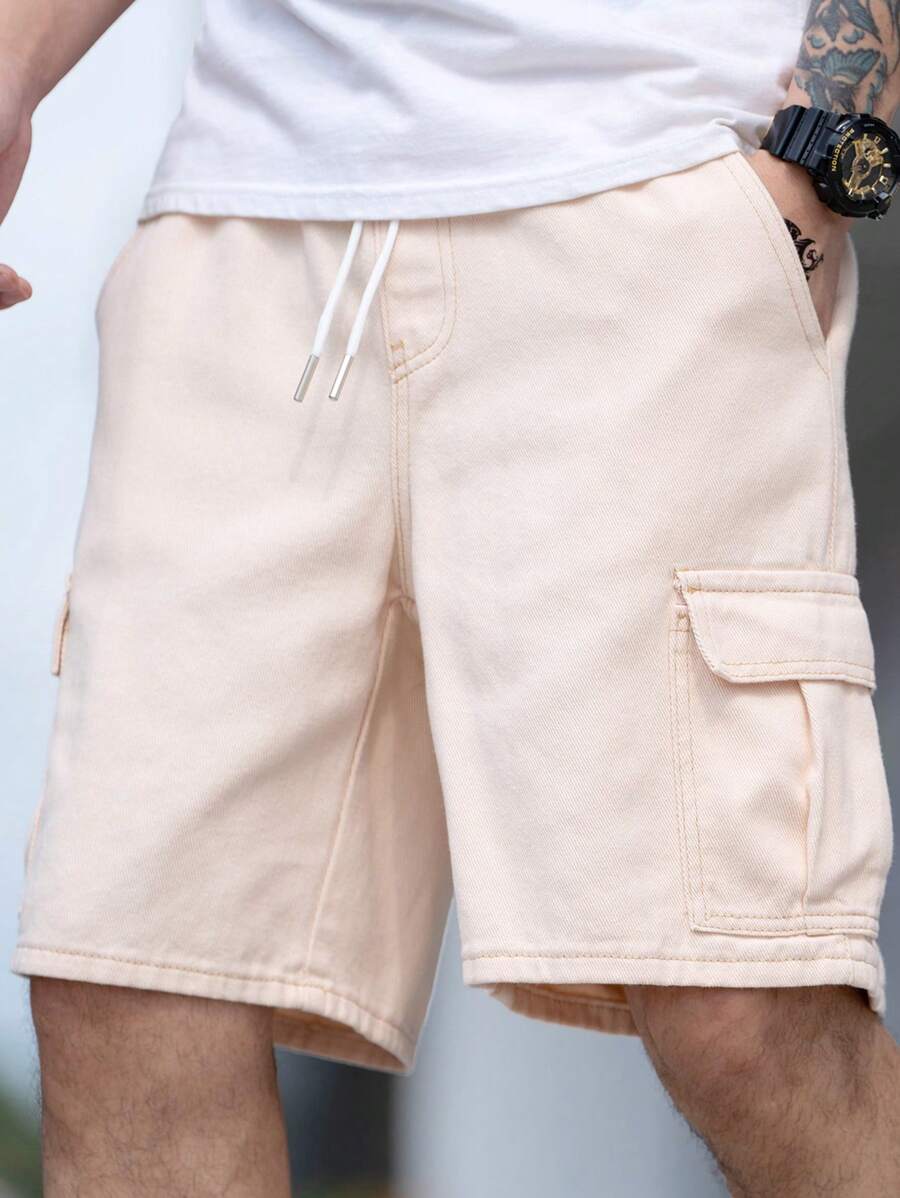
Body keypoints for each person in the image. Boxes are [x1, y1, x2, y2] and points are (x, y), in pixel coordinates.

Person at [3, 1, 900, 1192]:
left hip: (645, 177)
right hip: (245, 215)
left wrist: (828, 154)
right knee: (131, 987)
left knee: (743, 1002)